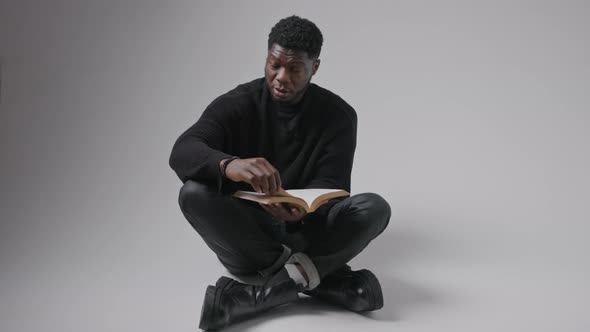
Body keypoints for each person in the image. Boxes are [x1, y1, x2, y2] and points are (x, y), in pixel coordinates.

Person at [169, 15, 391, 331]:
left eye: (295, 69)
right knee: (192, 193)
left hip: (307, 233)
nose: (281, 77)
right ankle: (320, 280)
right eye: (274, 64)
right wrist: (229, 165)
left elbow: (333, 186)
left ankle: (258, 296)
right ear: (267, 57)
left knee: (375, 207)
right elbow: (183, 149)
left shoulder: (339, 115)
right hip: (249, 239)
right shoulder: (237, 103)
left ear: (315, 67)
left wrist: (298, 213)